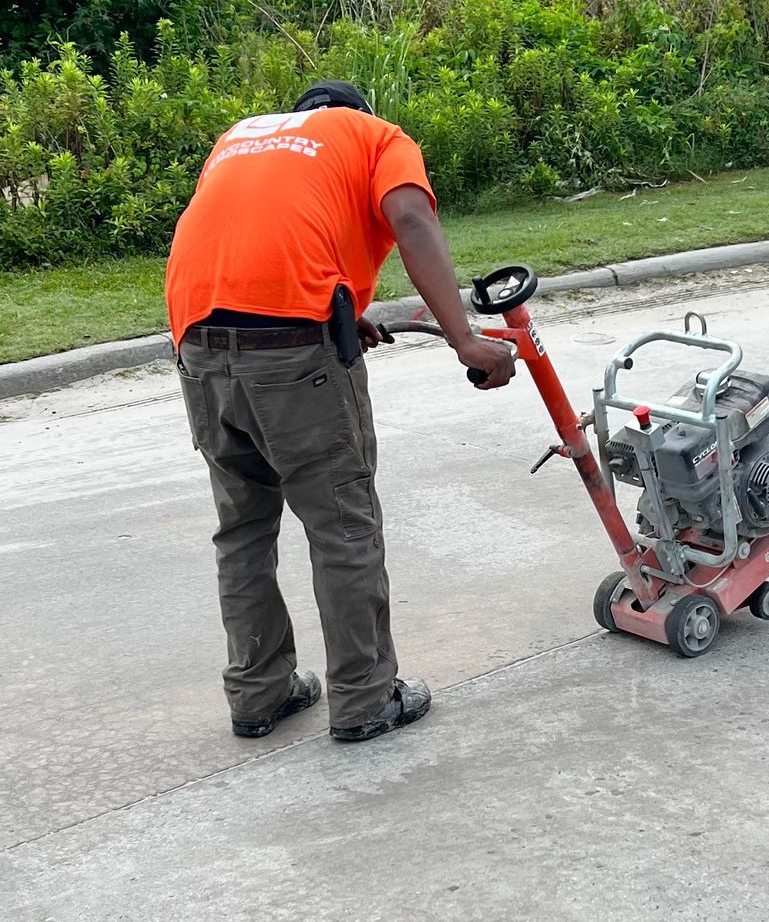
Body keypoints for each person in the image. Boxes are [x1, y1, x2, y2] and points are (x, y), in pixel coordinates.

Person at [165, 81, 516, 744]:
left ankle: (257, 693)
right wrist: (466, 338)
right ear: (358, 115)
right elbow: (411, 218)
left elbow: (264, 242)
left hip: (198, 346)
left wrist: (347, 320)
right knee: (341, 526)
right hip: (292, 355)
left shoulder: (242, 136)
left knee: (241, 529)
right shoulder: (375, 137)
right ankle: (365, 697)